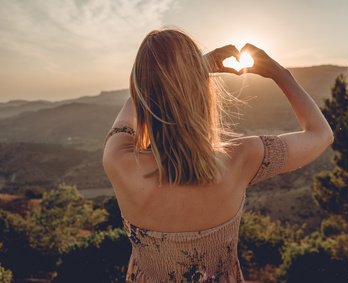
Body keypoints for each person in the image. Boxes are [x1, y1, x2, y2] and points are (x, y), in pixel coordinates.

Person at [103, 28, 333, 283]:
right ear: (200, 91)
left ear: (140, 90)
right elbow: (321, 134)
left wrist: (188, 71)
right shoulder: (240, 159)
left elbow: (134, 105)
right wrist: (281, 74)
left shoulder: (118, 160)